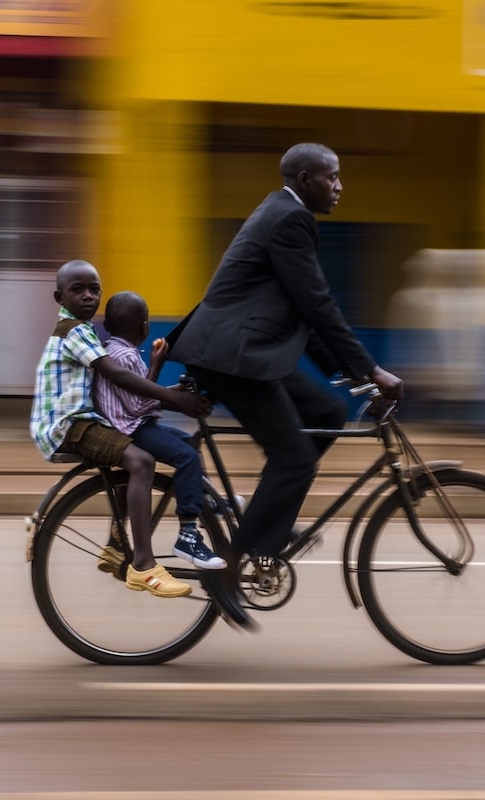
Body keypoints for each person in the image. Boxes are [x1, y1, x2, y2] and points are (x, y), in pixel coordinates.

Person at [169, 142, 403, 628]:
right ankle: (229, 568)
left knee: (326, 411)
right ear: (302, 178)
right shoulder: (290, 220)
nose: (339, 186)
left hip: (248, 350)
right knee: (294, 457)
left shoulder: (283, 213)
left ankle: (267, 522)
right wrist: (373, 371)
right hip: (233, 359)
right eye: (331, 177)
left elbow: (306, 316)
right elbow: (319, 305)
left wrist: (354, 377)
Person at [30, 259, 211, 598]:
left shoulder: (85, 331)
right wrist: (175, 399)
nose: (87, 296)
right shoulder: (74, 332)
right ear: (60, 297)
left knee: (132, 458)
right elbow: (119, 376)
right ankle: (143, 565)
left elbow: (126, 384)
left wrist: (169, 392)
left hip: (81, 420)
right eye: (77, 289)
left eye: (94, 289)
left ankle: (116, 545)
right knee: (141, 461)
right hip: (68, 425)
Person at [93, 290, 227, 571]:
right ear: (144, 327)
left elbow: (141, 395)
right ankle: (188, 536)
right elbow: (140, 405)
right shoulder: (126, 356)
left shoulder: (114, 351)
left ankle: (203, 500)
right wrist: (157, 364)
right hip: (133, 430)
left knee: (189, 443)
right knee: (187, 457)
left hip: (135, 423)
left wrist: (175, 394)